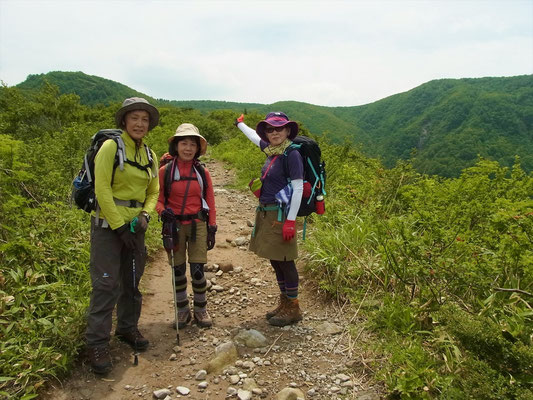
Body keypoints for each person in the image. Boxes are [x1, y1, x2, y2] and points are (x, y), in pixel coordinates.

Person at [85, 97, 160, 374]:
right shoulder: (110, 147)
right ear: (124, 121)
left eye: (144, 119)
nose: (140, 123)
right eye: (134, 118)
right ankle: (96, 343)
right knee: (106, 285)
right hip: (108, 228)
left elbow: (153, 191)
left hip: (135, 229)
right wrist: (118, 226)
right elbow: (102, 189)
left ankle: (127, 329)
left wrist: (145, 216)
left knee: (131, 282)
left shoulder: (149, 155)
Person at [235, 112, 304, 327]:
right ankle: (284, 303)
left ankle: (293, 307)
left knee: (286, 260)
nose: (274, 132)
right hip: (267, 212)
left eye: (279, 128)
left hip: (281, 214)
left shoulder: (291, 154)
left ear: (287, 131)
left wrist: (291, 221)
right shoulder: (272, 150)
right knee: (276, 260)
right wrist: (240, 124)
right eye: (270, 129)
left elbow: (298, 187)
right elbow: (254, 138)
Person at [156, 123, 217, 330]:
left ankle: (200, 309)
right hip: (174, 225)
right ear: (176, 146)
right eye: (184, 143)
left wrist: (212, 228)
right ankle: (182, 311)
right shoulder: (165, 171)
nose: (188, 148)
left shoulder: (202, 171)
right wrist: (162, 211)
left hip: (198, 223)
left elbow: (210, 200)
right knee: (178, 269)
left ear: (198, 148)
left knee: (198, 270)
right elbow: (157, 199)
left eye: (192, 144)